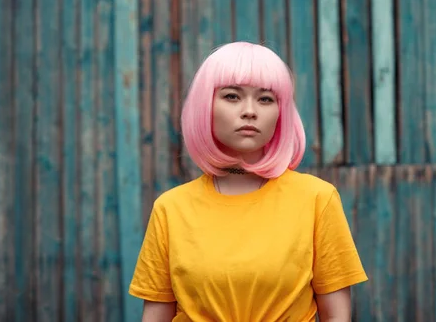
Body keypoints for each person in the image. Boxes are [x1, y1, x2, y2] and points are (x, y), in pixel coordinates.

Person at [129, 42, 367, 321]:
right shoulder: (170, 208)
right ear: (204, 106)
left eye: (266, 99)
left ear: (281, 114)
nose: (250, 111)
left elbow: (337, 316)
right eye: (232, 96)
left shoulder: (317, 199)